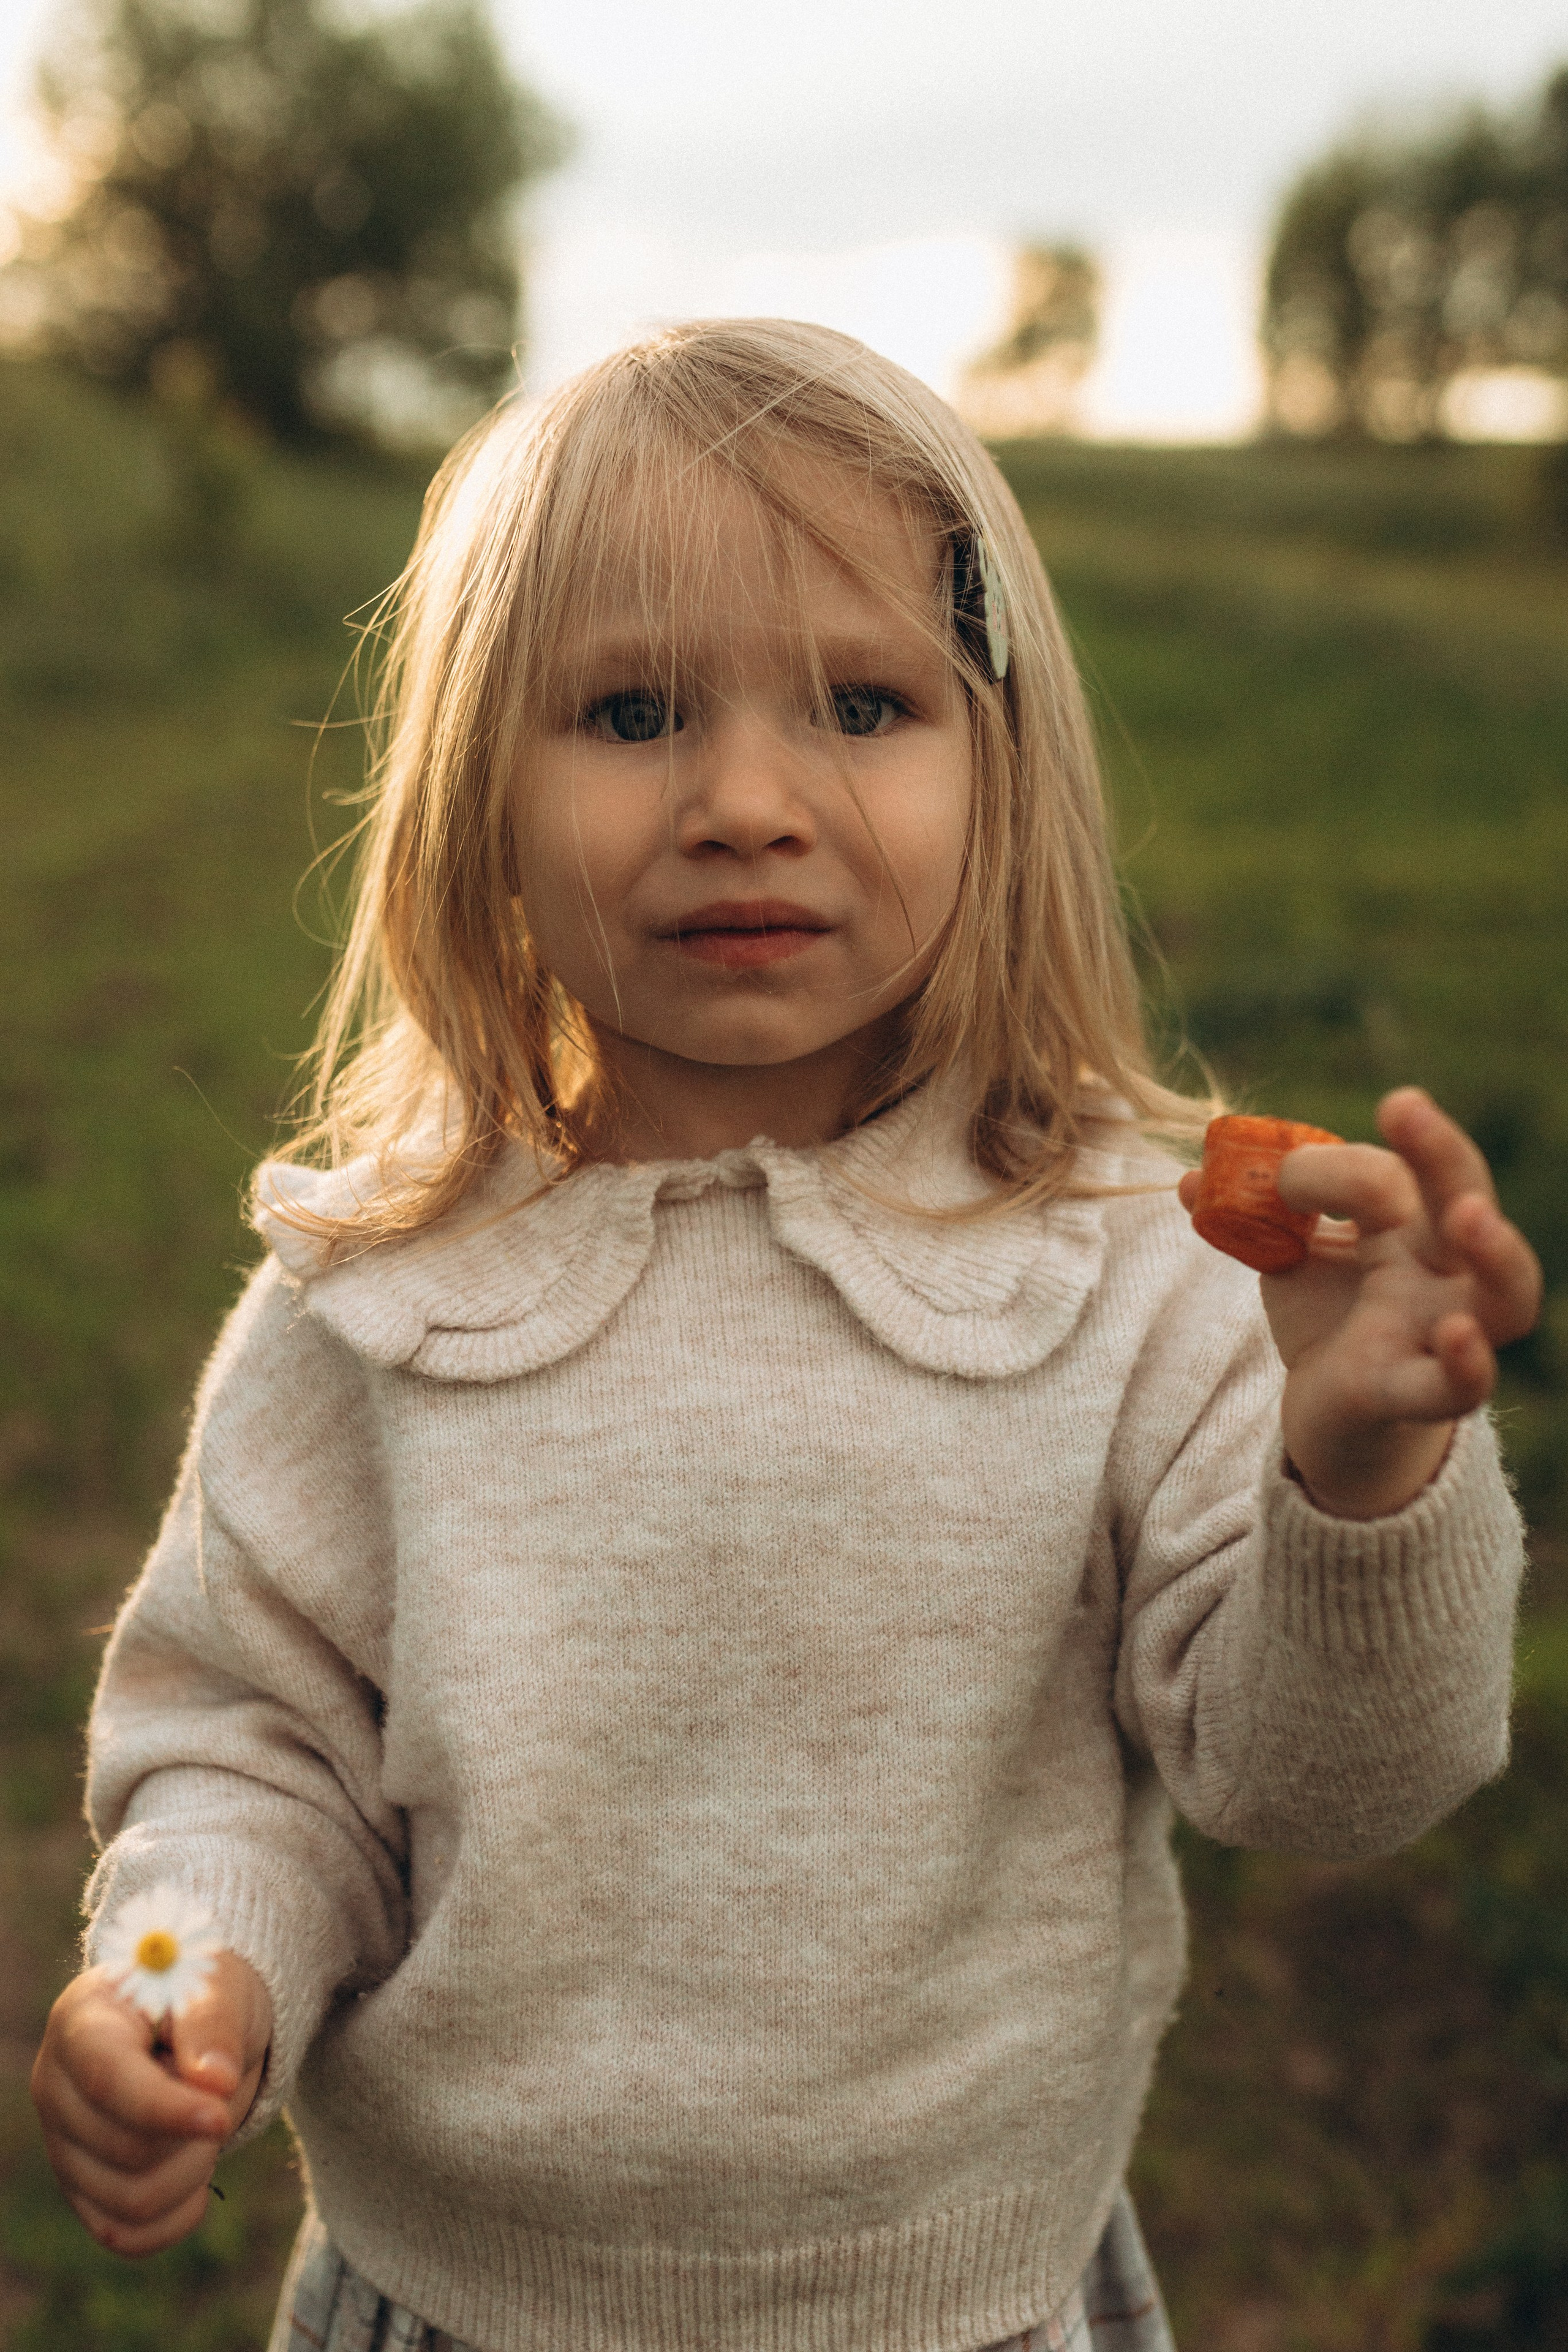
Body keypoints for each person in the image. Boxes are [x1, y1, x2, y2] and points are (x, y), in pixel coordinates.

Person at [31, 319, 1539, 2352]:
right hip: (458, 2308)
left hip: (970, 2312)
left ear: (1000, 763)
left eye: (861, 702)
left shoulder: (1131, 1269)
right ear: (479, 787)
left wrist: (1361, 1478)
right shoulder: (374, 1313)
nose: (748, 800)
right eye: (633, 708)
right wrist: (180, 1966)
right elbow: (250, 1766)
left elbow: (1325, 1780)